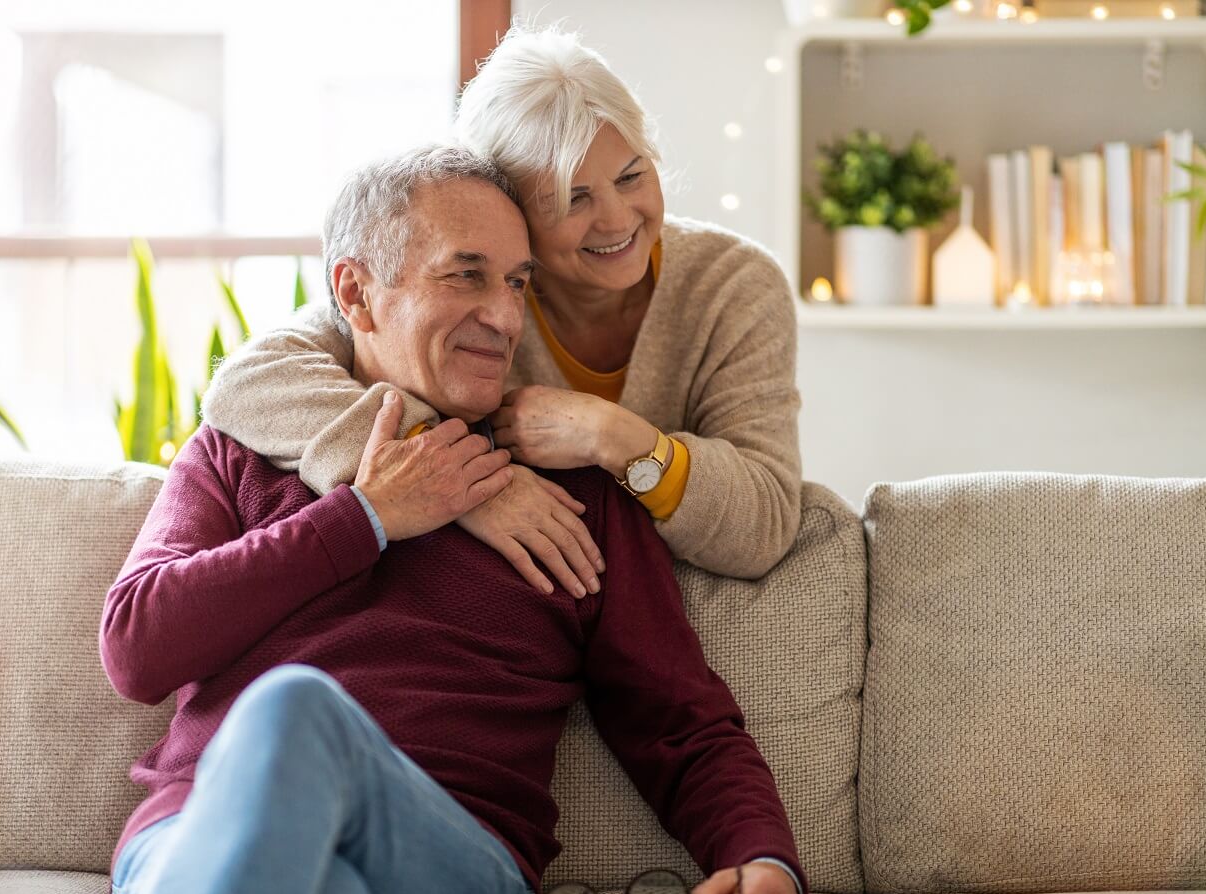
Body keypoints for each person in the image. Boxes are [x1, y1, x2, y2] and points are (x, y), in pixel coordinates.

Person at [102, 146, 805, 894]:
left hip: (450, 863)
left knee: (298, 712)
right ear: (356, 294)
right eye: (465, 275)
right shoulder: (243, 449)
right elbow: (135, 646)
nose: (507, 318)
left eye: (516, 282)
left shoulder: (573, 498)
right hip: (197, 835)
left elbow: (680, 719)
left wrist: (762, 858)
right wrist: (362, 520)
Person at [201, 24, 802, 593]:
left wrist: (611, 435)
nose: (618, 221)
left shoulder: (732, 284)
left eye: (631, 175)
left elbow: (766, 523)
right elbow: (251, 382)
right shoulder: (464, 300)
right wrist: (470, 484)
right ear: (506, 209)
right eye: (573, 197)